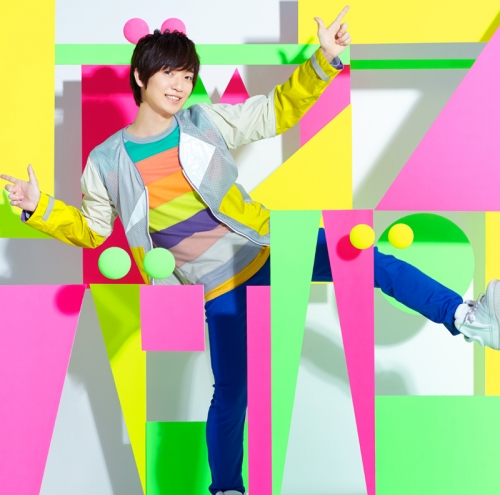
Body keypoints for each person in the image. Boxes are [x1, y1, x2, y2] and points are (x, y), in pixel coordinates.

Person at [2, 6, 500, 494]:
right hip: (214, 285)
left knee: (367, 262)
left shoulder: (202, 121)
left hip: (267, 246)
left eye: (187, 75)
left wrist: (322, 60)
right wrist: (37, 207)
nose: (179, 85)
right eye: (169, 73)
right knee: (231, 391)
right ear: (140, 76)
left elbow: (274, 111)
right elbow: (92, 230)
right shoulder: (106, 161)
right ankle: (227, 489)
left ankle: (466, 318)